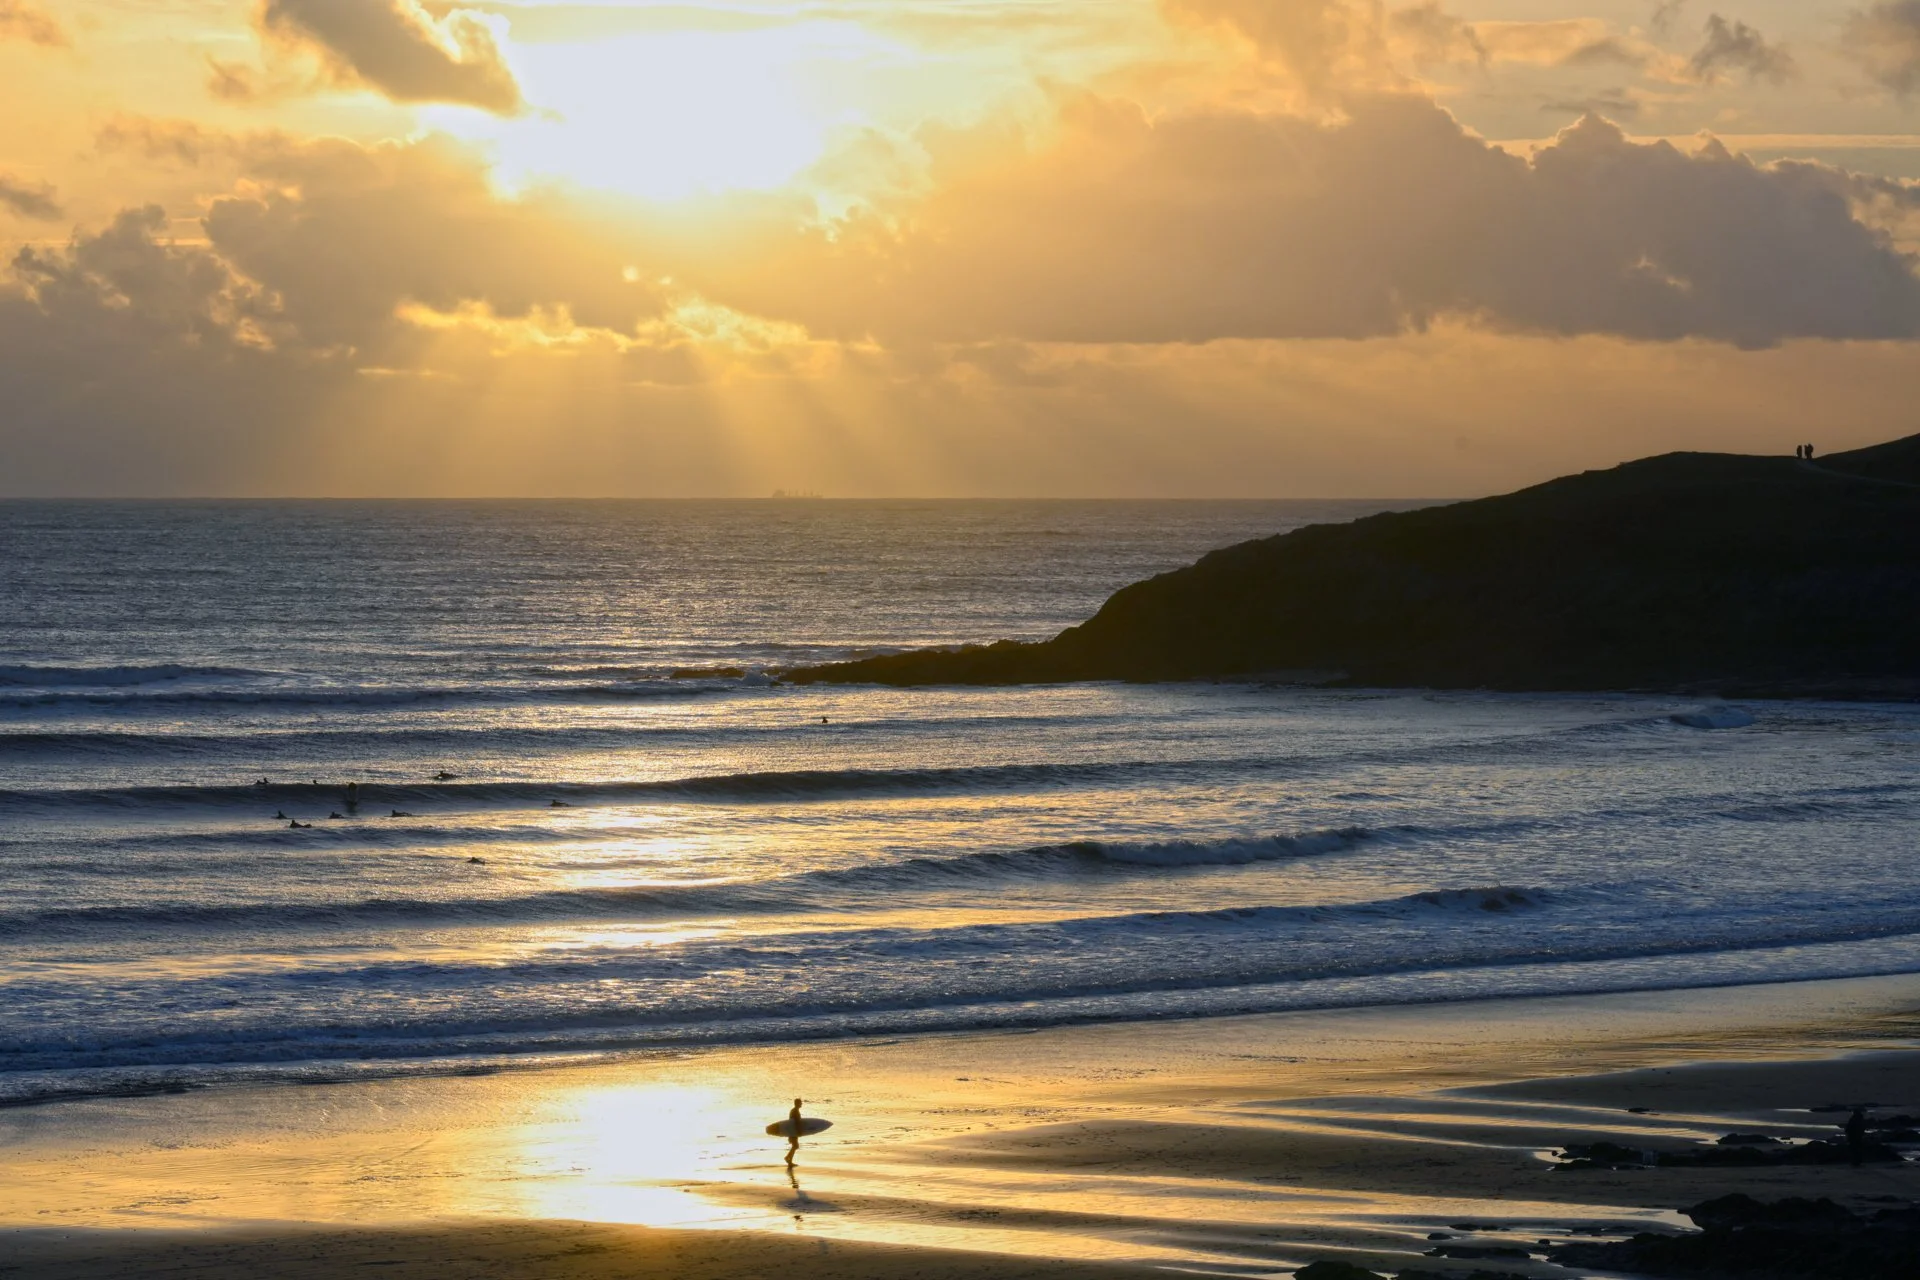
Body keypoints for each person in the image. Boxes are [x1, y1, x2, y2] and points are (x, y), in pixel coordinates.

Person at [785, 1097, 805, 1167]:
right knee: (795, 1146)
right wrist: (799, 1131)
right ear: (797, 1103)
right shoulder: (795, 1111)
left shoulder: (793, 1110)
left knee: (795, 1146)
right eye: (800, 1103)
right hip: (794, 1131)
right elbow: (797, 1123)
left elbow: (793, 1122)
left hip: (792, 1131)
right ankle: (788, 1159)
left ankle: (788, 1159)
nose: (801, 1104)